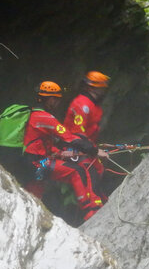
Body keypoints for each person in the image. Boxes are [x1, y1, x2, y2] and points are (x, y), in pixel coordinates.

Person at [23, 81, 103, 220]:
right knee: (76, 171)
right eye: (57, 99)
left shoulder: (33, 115)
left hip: (29, 163)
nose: (58, 103)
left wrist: (60, 153)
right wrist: (94, 151)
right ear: (51, 99)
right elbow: (70, 138)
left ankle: (30, 216)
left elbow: (40, 144)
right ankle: (89, 210)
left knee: (33, 195)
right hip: (37, 164)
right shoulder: (44, 118)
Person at [63, 71, 110, 202]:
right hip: (74, 148)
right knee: (90, 172)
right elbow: (77, 134)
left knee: (99, 169)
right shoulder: (82, 105)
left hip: (86, 147)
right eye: (101, 89)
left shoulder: (93, 105)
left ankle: (99, 200)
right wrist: (94, 151)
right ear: (91, 88)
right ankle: (91, 207)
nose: (103, 92)